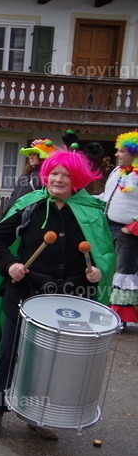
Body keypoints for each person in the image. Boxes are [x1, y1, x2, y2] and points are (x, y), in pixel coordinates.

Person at [0, 150, 112, 440]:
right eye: (53, 173)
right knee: (10, 351)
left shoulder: (90, 211)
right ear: (45, 176)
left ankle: (38, 415)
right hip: (25, 292)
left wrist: (97, 272)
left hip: (69, 298)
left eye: (65, 175)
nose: (58, 179)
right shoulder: (30, 205)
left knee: (51, 360)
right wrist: (10, 264)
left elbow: (103, 253)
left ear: (77, 180)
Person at [98, 131, 138, 325]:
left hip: (128, 233)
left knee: (124, 273)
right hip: (108, 227)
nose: (116, 154)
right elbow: (106, 198)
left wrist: (132, 227)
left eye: (121, 151)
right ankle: (106, 309)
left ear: (134, 153)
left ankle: (120, 318)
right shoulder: (117, 172)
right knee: (108, 270)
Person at [7, 139, 51, 209]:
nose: (30, 157)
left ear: (42, 157)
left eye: (34, 155)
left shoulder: (46, 176)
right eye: (30, 154)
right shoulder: (26, 174)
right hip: (14, 212)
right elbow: (15, 193)